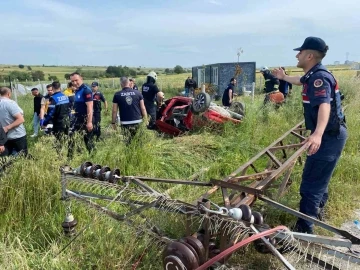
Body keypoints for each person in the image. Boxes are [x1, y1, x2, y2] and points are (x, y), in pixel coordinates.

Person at [272, 37, 347, 234]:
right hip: (333, 135)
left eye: (300, 52)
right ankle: (318, 212)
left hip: (329, 136)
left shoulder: (318, 78)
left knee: (310, 185)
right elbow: (300, 80)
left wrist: (317, 134)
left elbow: (324, 104)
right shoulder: (313, 74)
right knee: (320, 178)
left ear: (309, 55)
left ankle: (305, 232)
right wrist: (284, 77)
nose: (297, 55)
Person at [112, 77, 147, 144]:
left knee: (128, 142)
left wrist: (113, 123)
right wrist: (146, 120)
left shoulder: (117, 95)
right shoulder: (138, 93)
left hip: (125, 123)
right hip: (138, 121)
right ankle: (140, 153)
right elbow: (143, 108)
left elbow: (114, 111)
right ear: (129, 83)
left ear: (121, 84)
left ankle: (129, 154)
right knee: (139, 141)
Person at [69, 72, 94, 158]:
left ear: (81, 78)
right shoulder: (77, 90)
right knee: (72, 139)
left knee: (88, 141)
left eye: (76, 80)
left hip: (85, 120)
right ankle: (73, 157)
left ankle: (93, 158)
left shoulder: (86, 90)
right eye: (72, 81)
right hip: (77, 120)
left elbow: (90, 107)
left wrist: (89, 122)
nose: (75, 83)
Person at [42, 81, 70, 153]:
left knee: (58, 140)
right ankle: (68, 153)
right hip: (67, 120)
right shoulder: (65, 96)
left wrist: (44, 122)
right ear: (60, 87)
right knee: (67, 138)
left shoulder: (53, 98)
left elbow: (51, 112)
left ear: (53, 88)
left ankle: (59, 155)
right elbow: (69, 109)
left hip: (58, 122)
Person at [0, 87, 28, 157]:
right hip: (17, 134)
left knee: (5, 158)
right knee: (23, 156)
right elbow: (21, 119)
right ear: (9, 94)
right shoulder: (10, 103)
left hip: (3, 137)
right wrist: (7, 127)